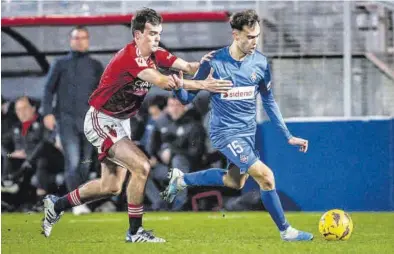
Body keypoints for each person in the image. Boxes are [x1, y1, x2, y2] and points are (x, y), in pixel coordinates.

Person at [41, 8, 232, 243]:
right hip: (101, 119)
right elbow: (162, 81)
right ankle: (134, 232)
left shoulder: (157, 53)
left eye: (159, 33)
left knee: (110, 186)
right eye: (152, 33)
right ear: (138, 35)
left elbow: (188, 67)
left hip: (120, 121)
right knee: (141, 166)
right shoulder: (130, 58)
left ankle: (56, 205)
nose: (156, 38)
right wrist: (204, 85)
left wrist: (207, 63)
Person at [161, 9, 314, 241]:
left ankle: (181, 180)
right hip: (224, 132)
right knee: (266, 176)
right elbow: (186, 99)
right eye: (250, 37)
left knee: (234, 182)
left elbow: (269, 101)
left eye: (257, 36)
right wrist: (178, 86)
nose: (255, 42)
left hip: (247, 134)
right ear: (235, 34)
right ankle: (286, 231)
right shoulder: (214, 62)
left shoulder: (260, 63)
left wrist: (288, 135)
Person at [42, 25, 104, 215]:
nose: (80, 41)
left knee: (86, 162)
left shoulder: (95, 65)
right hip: (66, 120)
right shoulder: (60, 63)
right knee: (73, 161)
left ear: (88, 41)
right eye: (76, 38)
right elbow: (48, 89)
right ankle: (77, 204)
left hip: (89, 121)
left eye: (83, 38)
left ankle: (79, 201)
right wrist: (47, 113)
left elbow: (102, 93)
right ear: (71, 40)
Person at [1, 96, 63, 210]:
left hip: (49, 162)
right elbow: (2, 143)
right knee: (8, 158)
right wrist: (11, 154)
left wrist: (28, 157)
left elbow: (47, 145)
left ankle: (40, 199)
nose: (21, 113)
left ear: (33, 108)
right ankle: (7, 189)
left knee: (42, 157)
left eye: (24, 108)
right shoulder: (16, 127)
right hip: (26, 166)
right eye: (18, 110)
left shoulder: (43, 123)